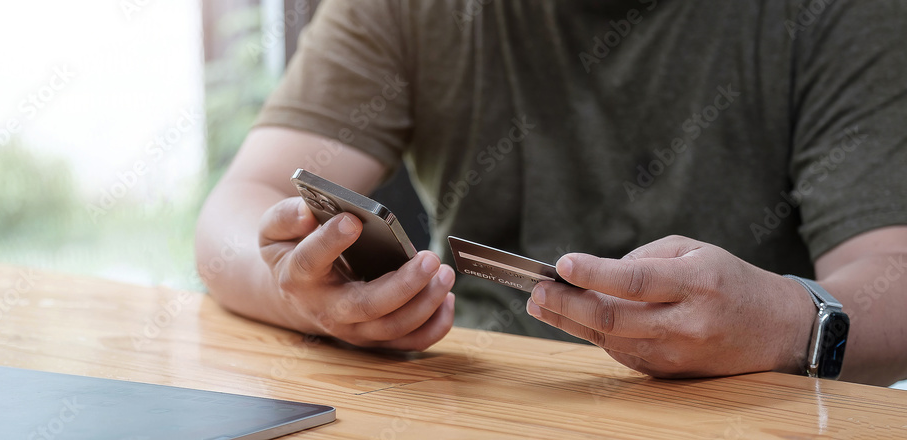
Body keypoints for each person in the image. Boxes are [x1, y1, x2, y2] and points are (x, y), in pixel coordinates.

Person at [195, 0, 907, 386]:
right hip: (470, 391)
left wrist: (789, 323)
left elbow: (894, 274)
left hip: (745, 405)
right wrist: (308, 294)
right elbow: (234, 214)